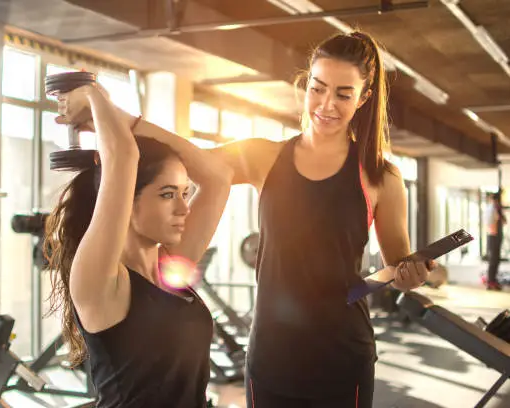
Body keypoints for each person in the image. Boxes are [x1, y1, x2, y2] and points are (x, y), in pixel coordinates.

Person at [208, 31, 432, 407]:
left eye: (344, 94)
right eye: (318, 88)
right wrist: (120, 128)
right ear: (306, 86)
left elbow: (397, 267)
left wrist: (410, 276)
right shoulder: (264, 157)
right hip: (271, 358)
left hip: (342, 359)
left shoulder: (382, 176)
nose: (326, 104)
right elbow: (186, 160)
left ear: (363, 99)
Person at [44, 83, 233, 408]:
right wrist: (91, 94)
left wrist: (123, 118)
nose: (183, 208)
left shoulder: (169, 269)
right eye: (166, 194)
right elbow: (122, 157)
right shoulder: (100, 282)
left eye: (184, 193)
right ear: (125, 202)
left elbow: (217, 176)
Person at [485, 191, 505, 291]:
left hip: (496, 237)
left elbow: (504, 221)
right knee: (493, 261)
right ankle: (490, 282)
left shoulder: (496, 208)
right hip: (493, 237)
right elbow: (490, 225)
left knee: (496, 261)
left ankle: (493, 280)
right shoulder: (491, 208)